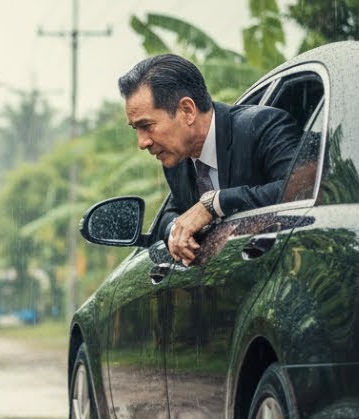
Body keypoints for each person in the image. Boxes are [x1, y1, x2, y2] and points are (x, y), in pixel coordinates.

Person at [119, 53, 301, 265]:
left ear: (187, 110)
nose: (142, 143)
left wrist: (215, 203)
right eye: (136, 129)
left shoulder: (262, 127)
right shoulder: (176, 161)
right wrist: (177, 231)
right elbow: (172, 213)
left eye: (147, 126)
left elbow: (302, 190)